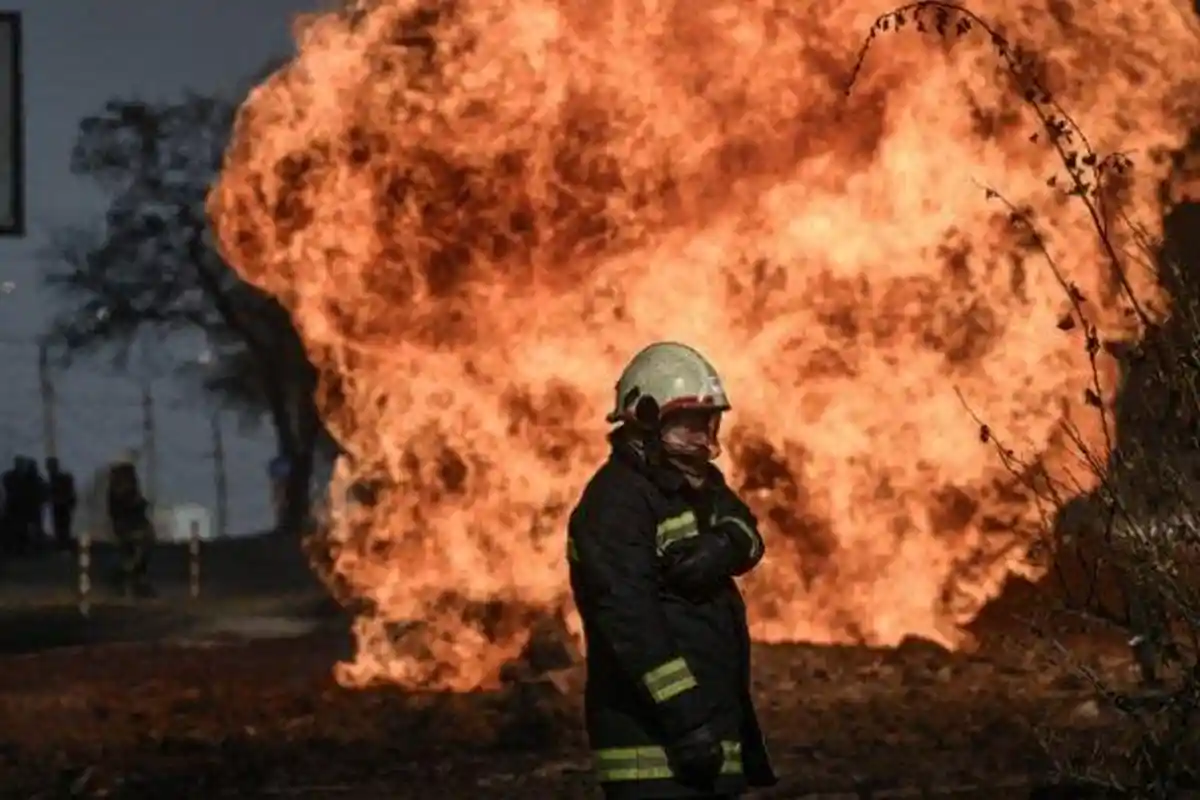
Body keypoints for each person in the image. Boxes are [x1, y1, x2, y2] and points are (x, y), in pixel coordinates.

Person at [567, 342, 777, 800]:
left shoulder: (696, 484)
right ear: (644, 421)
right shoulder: (614, 504)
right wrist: (688, 722)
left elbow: (748, 532)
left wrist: (724, 543)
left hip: (708, 743)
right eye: (688, 428)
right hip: (655, 758)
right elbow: (631, 626)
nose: (704, 442)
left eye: (708, 425)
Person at [107, 458, 155, 597]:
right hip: (126, 526)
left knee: (141, 550)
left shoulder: (130, 486)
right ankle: (125, 580)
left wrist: (140, 504)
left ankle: (136, 580)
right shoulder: (117, 487)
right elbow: (118, 507)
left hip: (137, 525)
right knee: (131, 556)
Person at [46, 458, 78, 550]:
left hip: (62, 506)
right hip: (60, 506)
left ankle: (63, 546)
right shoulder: (55, 478)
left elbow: (67, 493)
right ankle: (63, 545)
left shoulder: (59, 479)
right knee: (60, 527)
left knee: (62, 527)